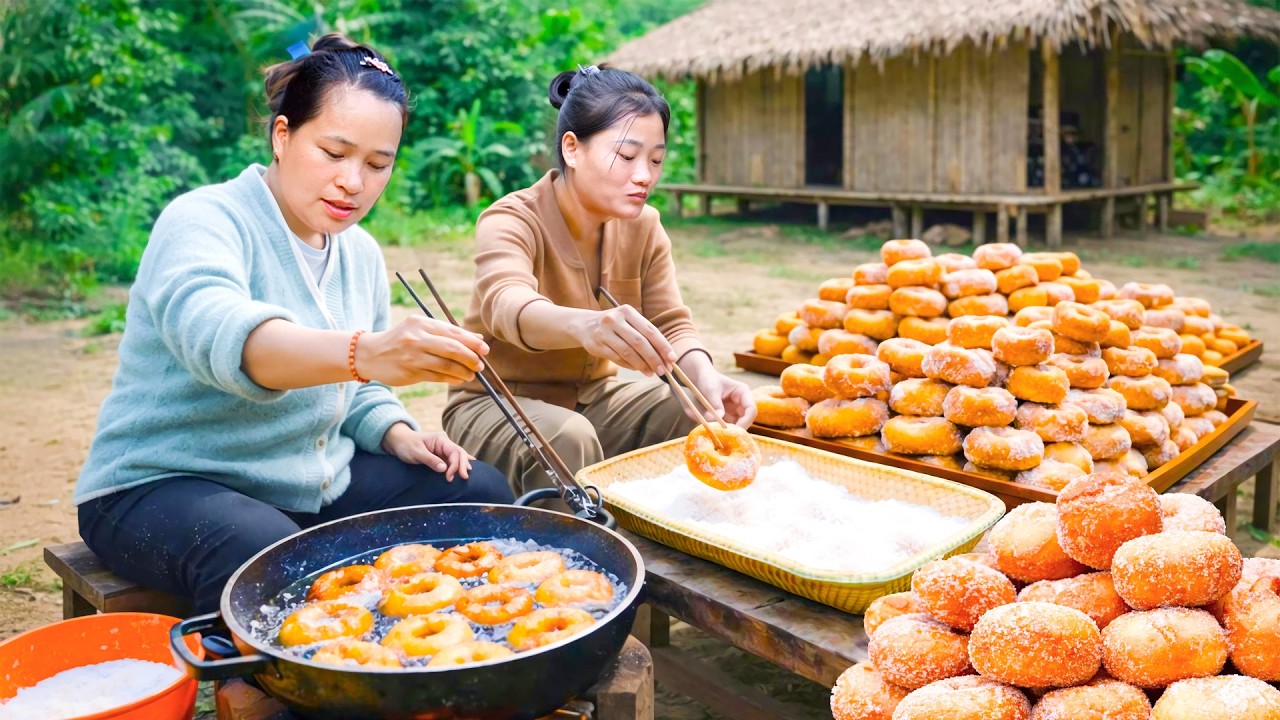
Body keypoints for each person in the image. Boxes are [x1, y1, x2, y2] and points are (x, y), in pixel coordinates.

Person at [74, 34, 513, 614]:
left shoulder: (359, 254)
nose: (353, 182)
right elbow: (226, 337)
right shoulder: (205, 220)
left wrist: (397, 433)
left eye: (377, 164)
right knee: (269, 555)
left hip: (307, 482)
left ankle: (450, 662)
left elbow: (356, 391)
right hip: (160, 485)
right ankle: (256, 693)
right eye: (334, 153)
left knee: (481, 494)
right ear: (283, 135)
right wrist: (367, 351)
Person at [443, 66, 757, 500]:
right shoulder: (512, 218)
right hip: (495, 402)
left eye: (656, 160)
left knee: (701, 416)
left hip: (594, 399)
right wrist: (585, 326)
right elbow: (507, 303)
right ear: (572, 149)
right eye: (627, 157)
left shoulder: (645, 227)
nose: (645, 175)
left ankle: (674, 546)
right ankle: (569, 558)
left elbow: (672, 322)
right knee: (569, 437)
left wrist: (703, 375)